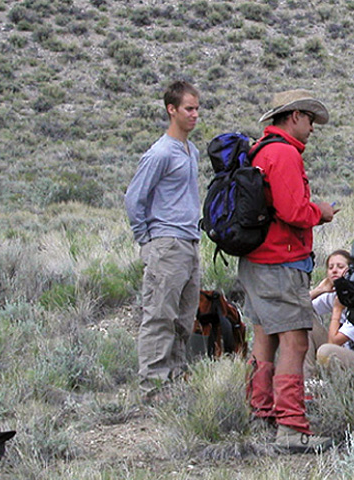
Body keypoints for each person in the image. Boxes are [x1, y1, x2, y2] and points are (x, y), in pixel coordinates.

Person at [239, 89, 337, 453]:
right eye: (310, 119)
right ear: (294, 116)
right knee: (295, 341)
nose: (312, 127)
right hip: (280, 262)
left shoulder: (260, 152)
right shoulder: (283, 154)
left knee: (264, 336)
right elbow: (294, 212)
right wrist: (321, 212)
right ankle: (292, 427)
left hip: (256, 261)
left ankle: (261, 411)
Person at [124, 80, 202, 397]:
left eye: (197, 108)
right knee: (159, 316)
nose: (195, 115)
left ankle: (175, 378)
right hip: (166, 243)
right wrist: (147, 241)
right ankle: (153, 387)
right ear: (172, 110)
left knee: (184, 318)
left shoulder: (190, 150)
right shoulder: (160, 153)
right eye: (189, 109)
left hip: (189, 243)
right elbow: (134, 198)